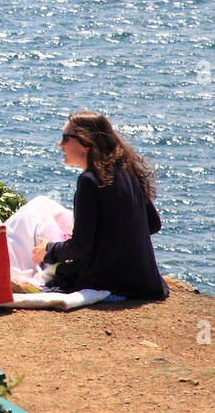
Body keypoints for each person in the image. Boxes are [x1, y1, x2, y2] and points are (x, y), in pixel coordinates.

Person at [29, 111, 168, 300]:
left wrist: (48, 251)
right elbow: (153, 224)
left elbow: (80, 247)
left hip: (112, 282)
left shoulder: (89, 181)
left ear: (85, 143)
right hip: (145, 281)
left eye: (65, 138)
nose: (60, 144)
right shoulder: (127, 169)